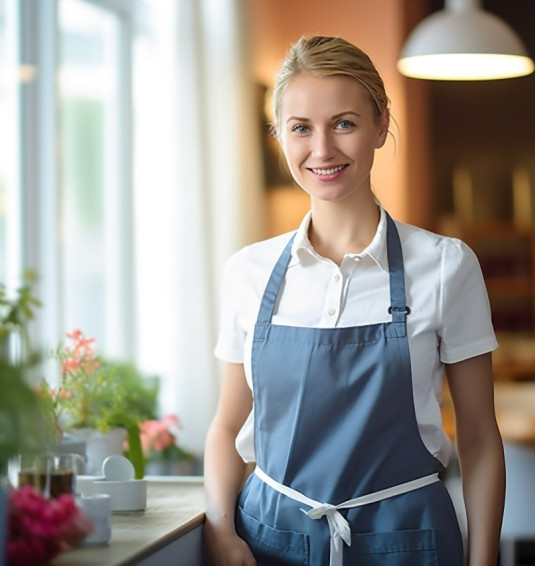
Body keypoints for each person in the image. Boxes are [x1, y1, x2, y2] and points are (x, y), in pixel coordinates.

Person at [203, 35, 505, 566]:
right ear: (280, 136)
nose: (322, 150)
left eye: (344, 123)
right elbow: (227, 426)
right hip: (270, 542)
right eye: (301, 128)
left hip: (408, 542)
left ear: (381, 125)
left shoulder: (444, 266)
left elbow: (479, 436)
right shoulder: (247, 272)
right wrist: (222, 531)